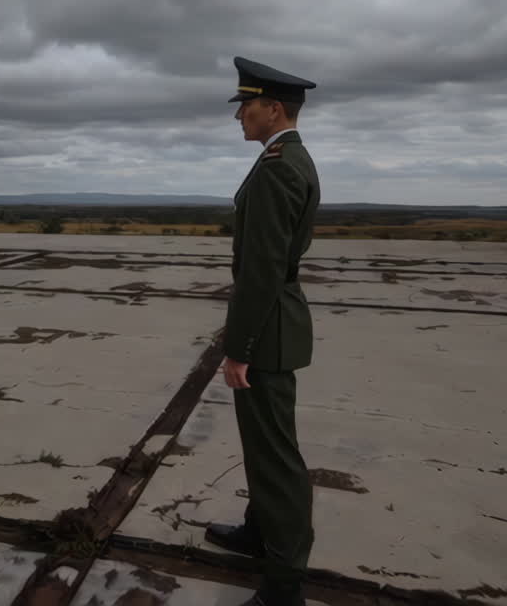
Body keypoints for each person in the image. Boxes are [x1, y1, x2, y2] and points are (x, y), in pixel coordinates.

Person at [207, 56, 321, 606]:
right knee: (263, 446)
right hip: (276, 327)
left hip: (268, 333)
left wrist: (238, 348)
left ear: (273, 109)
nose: (239, 119)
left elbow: (262, 271)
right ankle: (260, 532)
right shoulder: (284, 158)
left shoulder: (279, 168)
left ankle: (284, 585)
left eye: (246, 108)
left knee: (276, 459)